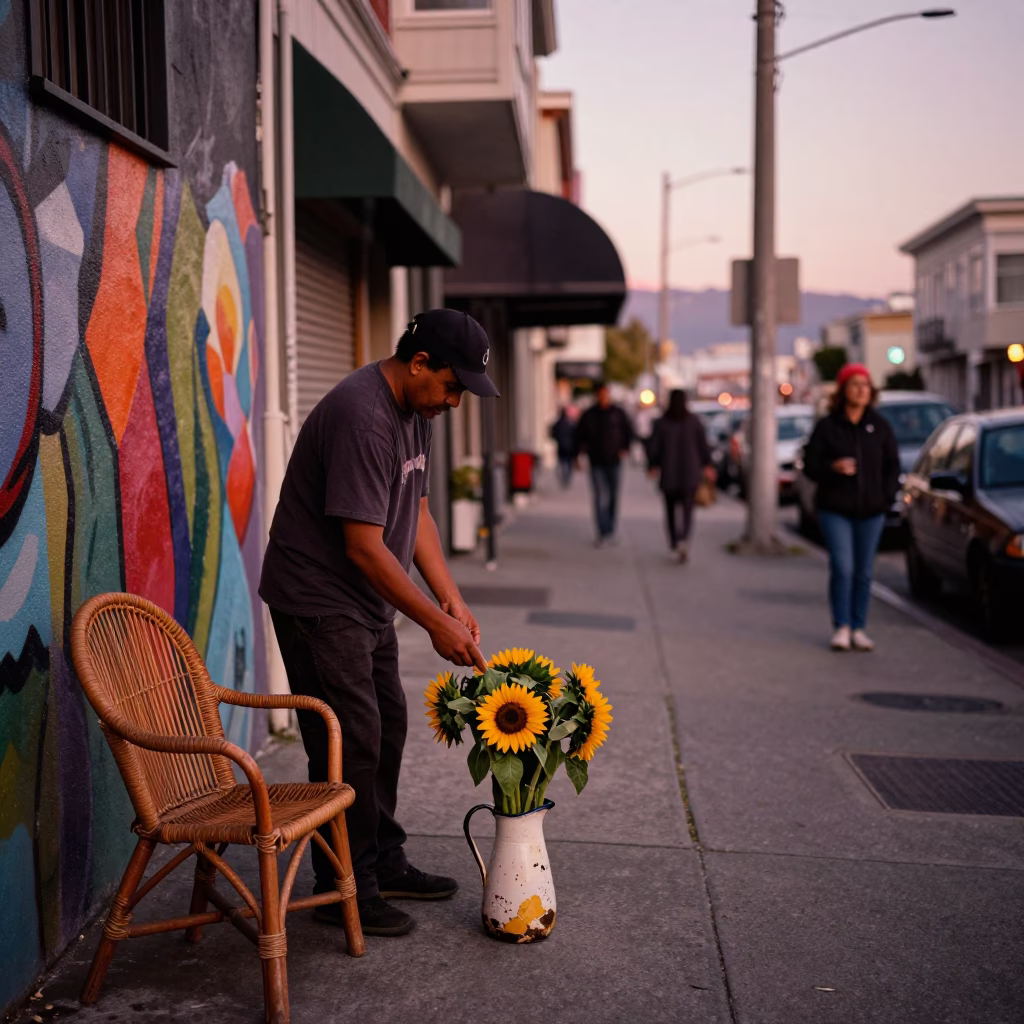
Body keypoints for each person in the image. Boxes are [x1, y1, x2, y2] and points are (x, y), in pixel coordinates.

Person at [259, 309, 497, 938]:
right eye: (452, 386)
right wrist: (432, 625)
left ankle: (383, 860)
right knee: (350, 739)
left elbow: (414, 512)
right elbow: (364, 545)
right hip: (317, 598)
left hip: (363, 600)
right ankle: (345, 886)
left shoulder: (416, 412)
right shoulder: (363, 415)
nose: (454, 401)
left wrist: (451, 598)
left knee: (387, 724)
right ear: (419, 363)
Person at [802, 363, 899, 652]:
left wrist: (885, 497)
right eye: (855, 384)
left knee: (864, 571)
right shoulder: (828, 427)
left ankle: (859, 627)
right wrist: (832, 468)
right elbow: (810, 466)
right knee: (843, 567)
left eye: (866, 385)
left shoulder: (879, 426)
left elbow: (892, 467)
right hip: (836, 509)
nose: (861, 390)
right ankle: (841, 626)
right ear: (843, 390)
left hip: (872, 510)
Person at [647, 389, 713, 562]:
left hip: (669, 474)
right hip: (689, 474)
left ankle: (674, 543)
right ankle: (684, 538)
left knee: (669, 512)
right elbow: (703, 445)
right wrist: (707, 465)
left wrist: (652, 465)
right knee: (688, 510)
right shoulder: (694, 421)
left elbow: (654, 447)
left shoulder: (661, 422)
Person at [575, 382, 634, 545]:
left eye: (605, 394)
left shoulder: (618, 413)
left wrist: (625, 449)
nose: (603, 397)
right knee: (600, 496)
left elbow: (629, 432)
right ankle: (601, 530)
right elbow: (580, 436)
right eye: (600, 394)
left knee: (613, 496)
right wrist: (578, 456)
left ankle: (610, 527)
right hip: (596, 461)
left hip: (614, 461)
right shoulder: (589, 415)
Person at [549, 405, 578, 487]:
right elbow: (576, 435)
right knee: (568, 463)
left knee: (562, 463)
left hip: (561, 446)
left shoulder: (558, 423)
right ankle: (567, 477)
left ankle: (564, 476)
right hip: (569, 447)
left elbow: (552, 433)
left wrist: (557, 439)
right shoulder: (571, 423)